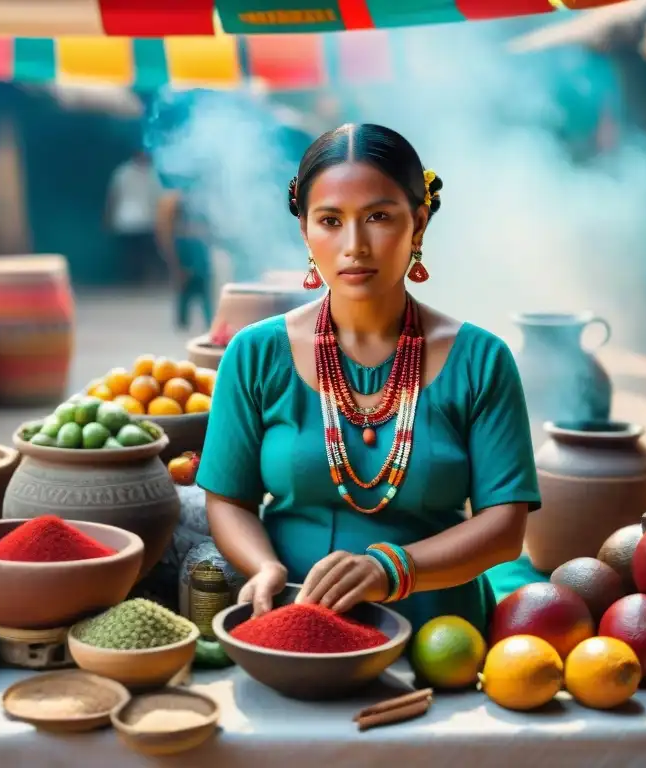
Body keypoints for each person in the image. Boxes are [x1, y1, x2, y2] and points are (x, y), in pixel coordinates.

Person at [194, 123, 539, 636]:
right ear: (305, 232)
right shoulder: (255, 353)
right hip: (292, 621)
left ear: (418, 225)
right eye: (330, 220)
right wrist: (263, 566)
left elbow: (504, 529)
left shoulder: (481, 360)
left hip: (440, 637)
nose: (354, 244)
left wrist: (391, 570)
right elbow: (228, 500)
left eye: (379, 217)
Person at [156, 189, 214, 331]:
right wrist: (180, 269)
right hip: (189, 266)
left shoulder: (195, 231)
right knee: (185, 296)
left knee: (202, 297)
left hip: (199, 268)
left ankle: (207, 321)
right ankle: (184, 321)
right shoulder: (178, 236)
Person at [105, 150, 164, 283]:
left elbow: (113, 196)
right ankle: (137, 279)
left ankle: (136, 278)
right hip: (138, 220)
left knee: (134, 253)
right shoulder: (147, 174)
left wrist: (108, 216)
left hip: (129, 220)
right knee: (139, 253)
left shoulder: (122, 172)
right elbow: (158, 198)